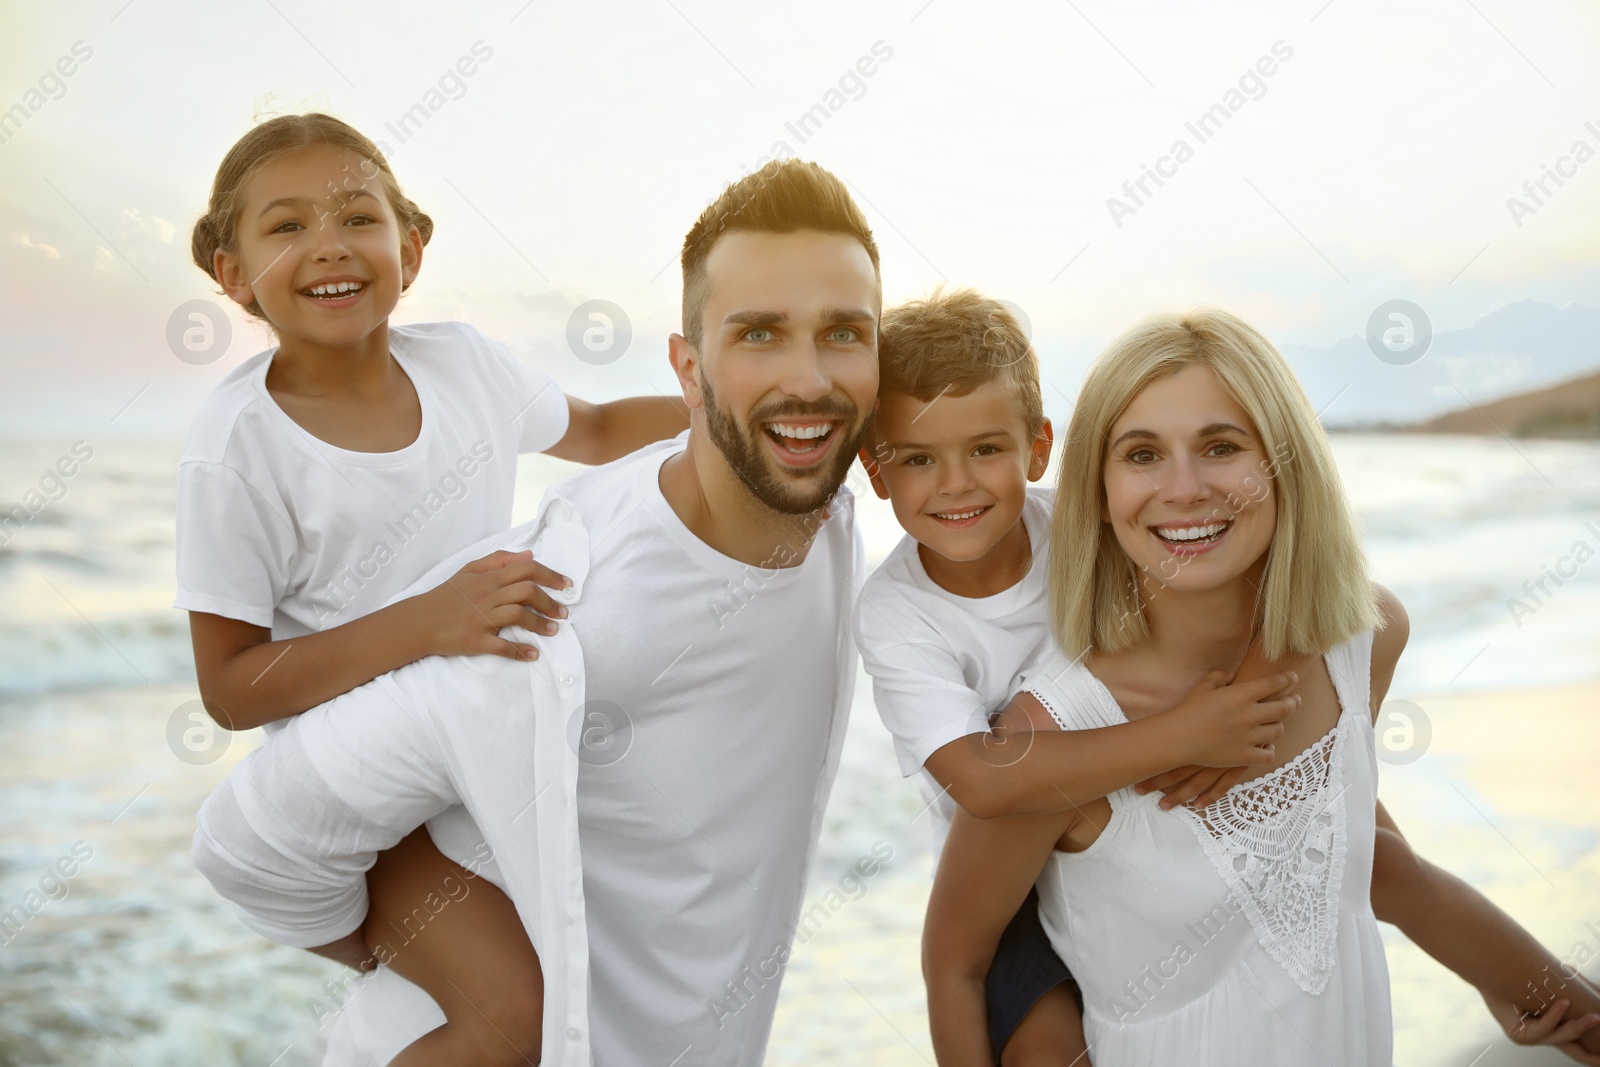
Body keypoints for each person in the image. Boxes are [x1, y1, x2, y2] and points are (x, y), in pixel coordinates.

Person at [192, 157, 880, 1065]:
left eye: (843, 335)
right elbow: (244, 826)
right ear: (689, 366)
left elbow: (594, 427)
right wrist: (386, 948)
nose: (808, 375)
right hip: (400, 711)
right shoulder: (541, 626)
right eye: (757, 334)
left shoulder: (824, 498)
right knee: (512, 1015)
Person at [920, 308, 1600, 1064]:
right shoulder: (1051, 740)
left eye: (1220, 446)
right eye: (1142, 454)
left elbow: (1361, 854)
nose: (1184, 488)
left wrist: (1525, 984)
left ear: (1285, 465)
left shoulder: (1363, 642)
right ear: (1099, 493)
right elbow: (958, 966)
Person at [179, 112, 687, 1065]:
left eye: (356, 218)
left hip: (478, 756)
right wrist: (428, 620)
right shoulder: (236, 446)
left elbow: (607, 425)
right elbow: (230, 687)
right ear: (233, 274)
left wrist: (745, 401)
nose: (328, 245)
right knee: (514, 1018)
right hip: (366, 808)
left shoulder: (462, 362)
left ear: (410, 249)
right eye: (286, 226)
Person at [855, 288, 1307, 1065]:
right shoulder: (896, 611)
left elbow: (1250, 586)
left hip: (1133, 829)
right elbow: (985, 784)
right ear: (875, 471)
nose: (955, 483)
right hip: (1011, 888)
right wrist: (1182, 735)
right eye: (918, 459)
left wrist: (1236, 705)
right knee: (1049, 1051)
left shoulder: (1082, 523)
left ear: (1037, 448)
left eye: (986, 449)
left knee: (1354, 839)